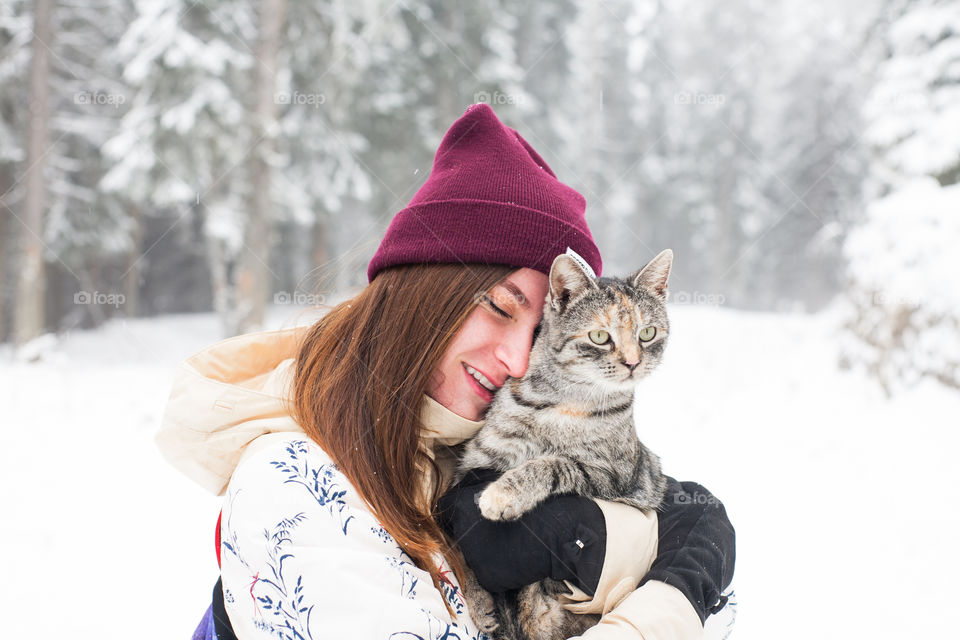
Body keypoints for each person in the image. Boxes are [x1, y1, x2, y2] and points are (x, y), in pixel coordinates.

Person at [158, 103, 735, 640]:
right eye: (499, 308)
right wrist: (671, 599)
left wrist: (669, 526)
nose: (515, 359)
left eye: (536, 335)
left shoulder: (441, 439)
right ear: (426, 290)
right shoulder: (293, 488)